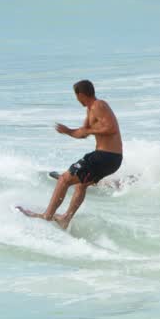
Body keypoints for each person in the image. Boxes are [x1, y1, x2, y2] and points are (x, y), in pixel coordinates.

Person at [22, 80, 123, 230]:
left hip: (105, 156)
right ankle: (65, 219)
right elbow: (83, 133)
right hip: (112, 159)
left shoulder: (99, 105)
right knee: (80, 185)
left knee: (64, 179)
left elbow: (111, 128)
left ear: (81, 94)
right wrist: (68, 131)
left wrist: (89, 131)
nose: (77, 100)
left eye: (76, 96)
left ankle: (47, 216)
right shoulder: (90, 109)